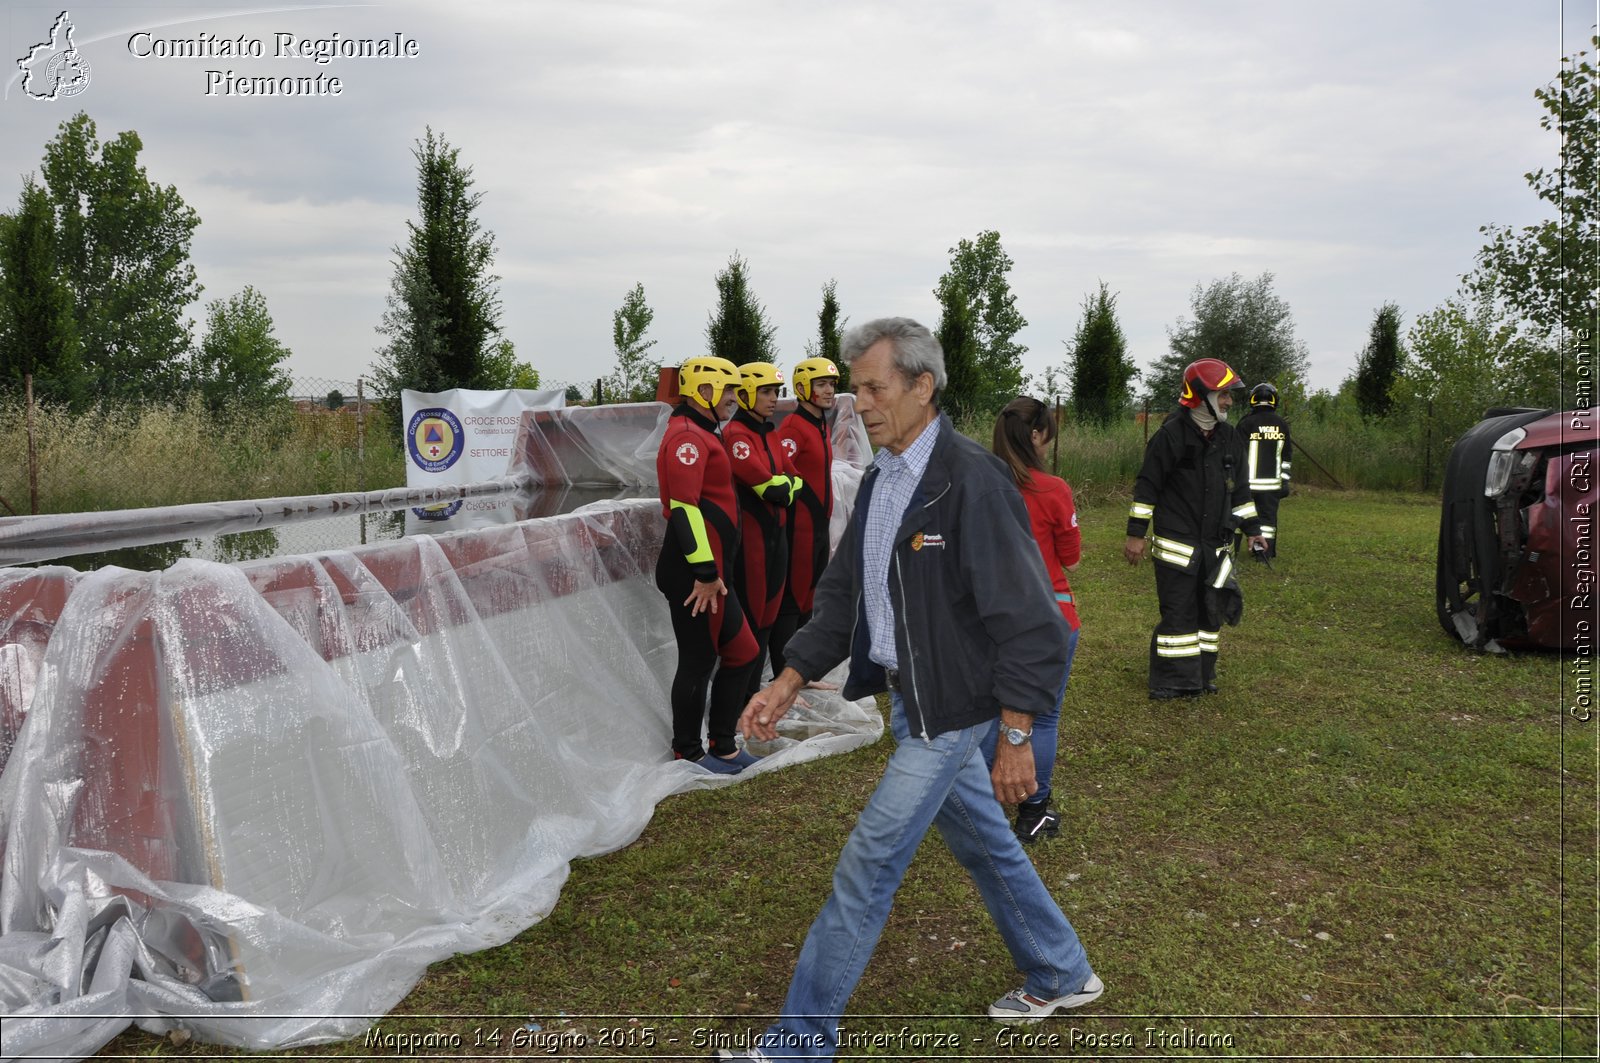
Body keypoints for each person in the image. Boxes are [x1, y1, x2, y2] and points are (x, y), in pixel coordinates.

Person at [725, 318, 1101, 1062]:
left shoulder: (972, 481)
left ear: (922, 387)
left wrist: (1018, 734)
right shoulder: (882, 479)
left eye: (873, 388)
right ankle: (1062, 968)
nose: (857, 404)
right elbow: (844, 597)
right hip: (912, 700)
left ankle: (799, 1044)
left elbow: (1032, 623)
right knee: (988, 845)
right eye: (853, 389)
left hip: (950, 711)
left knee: (867, 865)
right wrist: (788, 679)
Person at [1124, 358, 1266, 700]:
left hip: (1216, 544)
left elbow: (1242, 491)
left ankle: (1203, 675)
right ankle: (1172, 681)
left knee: (1210, 611)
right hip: (1178, 545)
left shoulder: (1230, 438)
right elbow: (1147, 488)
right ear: (1200, 395)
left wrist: (1253, 530)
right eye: (1223, 395)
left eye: (1230, 396)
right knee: (1178, 612)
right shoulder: (1169, 437)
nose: (1230, 402)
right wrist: (1135, 534)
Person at [981, 396, 1081, 845]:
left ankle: (981, 808)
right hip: (1049, 616)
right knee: (1041, 717)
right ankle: (1034, 811)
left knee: (988, 714)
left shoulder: (976, 483)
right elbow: (1071, 559)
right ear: (1037, 436)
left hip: (987, 618)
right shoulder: (1053, 489)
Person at [655, 356, 761, 774]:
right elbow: (684, 509)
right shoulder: (686, 437)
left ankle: (723, 744)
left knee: (744, 652)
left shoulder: (702, 431)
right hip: (696, 574)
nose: (735, 399)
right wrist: (704, 572)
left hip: (713, 573)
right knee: (698, 661)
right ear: (704, 391)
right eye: (729, 390)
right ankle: (689, 751)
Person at [722, 362, 803, 698]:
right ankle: (740, 703)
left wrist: (781, 486)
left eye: (777, 392)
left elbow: (796, 480)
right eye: (767, 392)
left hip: (777, 539)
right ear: (745, 395)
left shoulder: (770, 431)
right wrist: (781, 486)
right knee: (753, 622)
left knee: (769, 618)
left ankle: (755, 696)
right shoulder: (735, 435)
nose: (774, 399)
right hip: (752, 543)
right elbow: (770, 490)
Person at [768, 357, 839, 678]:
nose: (829, 391)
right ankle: (785, 676)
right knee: (792, 602)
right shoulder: (794, 428)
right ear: (802, 389)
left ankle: (801, 673)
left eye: (832, 384)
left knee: (811, 599)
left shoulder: (820, 423)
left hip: (818, 529)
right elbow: (776, 472)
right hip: (799, 530)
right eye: (821, 384)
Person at [1234, 382, 1292, 560]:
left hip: (1246, 485)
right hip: (1271, 487)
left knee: (1238, 517)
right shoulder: (1281, 424)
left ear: (1253, 399)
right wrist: (1285, 481)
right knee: (1267, 521)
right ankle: (1262, 554)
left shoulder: (1246, 423)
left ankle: (1230, 551)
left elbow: (1236, 453)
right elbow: (1286, 457)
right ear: (1274, 400)